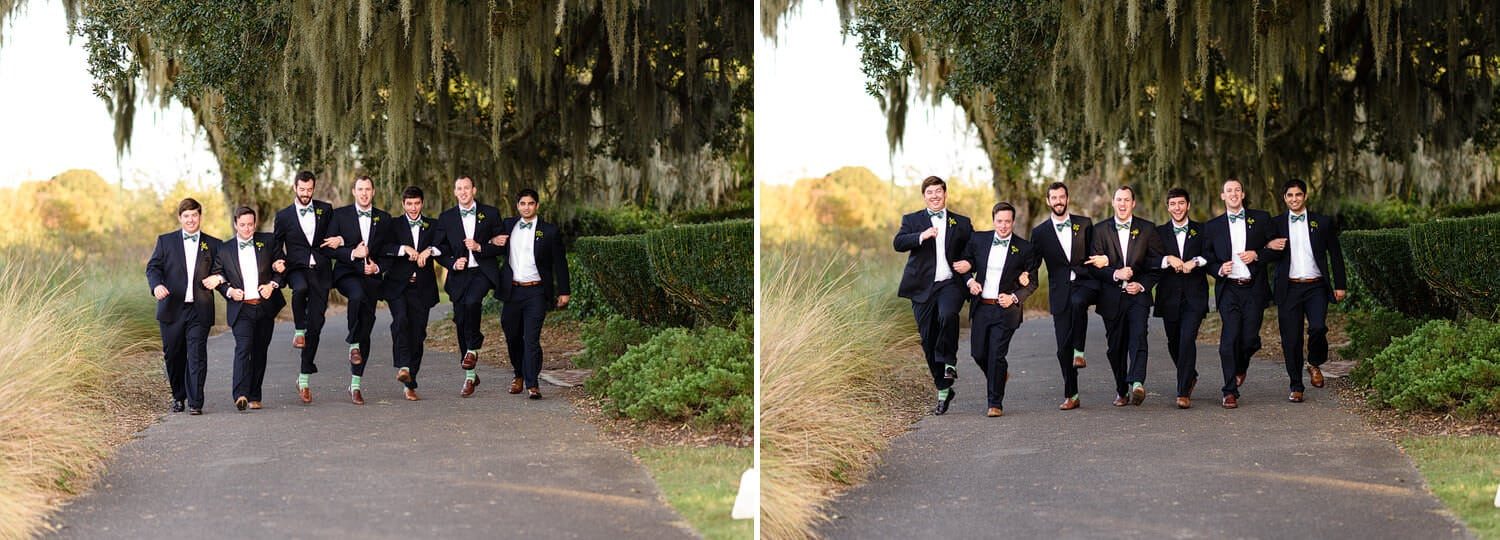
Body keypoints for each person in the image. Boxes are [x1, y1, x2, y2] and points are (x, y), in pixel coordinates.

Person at [893, 176, 973, 415]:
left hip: (950, 284)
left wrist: (969, 263)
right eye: (930, 192)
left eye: (939, 191)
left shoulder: (962, 222)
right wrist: (922, 236)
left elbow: (975, 250)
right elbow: (898, 243)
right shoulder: (912, 220)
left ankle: (949, 361)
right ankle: (943, 389)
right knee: (927, 339)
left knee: (948, 315)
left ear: (945, 194)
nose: (935, 196)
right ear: (924, 196)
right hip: (922, 288)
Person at [1264, 178, 1348, 403]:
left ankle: (1314, 362)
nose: (1294, 199)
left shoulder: (1322, 222)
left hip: (1316, 286)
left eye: (1298, 195)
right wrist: (1268, 245)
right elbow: (1263, 254)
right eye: (1290, 196)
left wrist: (1340, 284)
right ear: (1284, 199)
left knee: (1319, 328)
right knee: (1290, 339)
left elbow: (1335, 254)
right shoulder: (1275, 224)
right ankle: (1296, 385)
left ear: (1305, 196)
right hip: (1289, 287)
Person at [1087, 186, 1165, 407]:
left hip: (1138, 297)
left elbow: (1156, 265)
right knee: (1115, 348)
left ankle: (1138, 383)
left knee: (1139, 336)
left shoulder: (1147, 229)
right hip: (1111, 298)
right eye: (1119, 199)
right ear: (1113, 202)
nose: (1122, 204)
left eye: (1126, 200)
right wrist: (1114, 273)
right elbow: (1093, 267)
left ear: (1133, 203)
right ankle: (1121, 389)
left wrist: (1141, 285)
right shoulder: (1100, 230)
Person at [1201, 178, 1275, 409]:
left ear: (1243, 194)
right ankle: (1229, 391)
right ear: (1222, 196)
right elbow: (1206, 259)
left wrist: (1257, 255)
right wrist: (1217, 269)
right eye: (1228, 191)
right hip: (1229, 289)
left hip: (1254, 288)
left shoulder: (1261, 218)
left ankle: (1241, 367)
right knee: (1228, 341)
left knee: (1250, 339)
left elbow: (1277, 250)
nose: (1233, 194)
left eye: (1237, 190)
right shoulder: (1212, 226)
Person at [959, 202, 1038, 417]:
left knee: (996, 355)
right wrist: (969, 282)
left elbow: (1032, 282)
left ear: (1013, 222)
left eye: (1007, 222)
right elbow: (965, 264)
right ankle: (999, 374)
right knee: (978, 353)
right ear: (993, 220)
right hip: (982, 307)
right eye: (999, 221)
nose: (1003, 226)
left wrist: (1014, 297)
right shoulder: (978, 240)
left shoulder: (1024, 248)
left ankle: (995, 403)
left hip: (1006, 310)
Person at [491, 189, 570, 399]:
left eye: (531, 203)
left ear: (537, 206)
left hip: (536, 291)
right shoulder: (508, 226)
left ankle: (532, 383)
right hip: (512, 292)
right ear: (517, 206)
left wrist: (564, 291)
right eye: (523, 203)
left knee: (531, 339)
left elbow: (559, 263)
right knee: (513, 337)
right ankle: (518, 374)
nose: (526, 207)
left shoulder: (549, 231)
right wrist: (491, 241)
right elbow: (493, 247)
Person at [146, 198, 221, 415]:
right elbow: (153, 268)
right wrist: (157, 285)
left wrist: (219, 277)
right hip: (171, 308)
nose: (190, 219)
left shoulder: (213, 244)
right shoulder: (165, 241)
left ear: (200, 217)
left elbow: (224, 267)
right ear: (180, 218)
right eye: (186, 216)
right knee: (173, 355)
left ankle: (196, 402)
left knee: (196, 355)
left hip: (200, 309)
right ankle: (179, 396)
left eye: (194, 215)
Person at [321, 175, 391, 405]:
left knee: (367, 327)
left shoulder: (384, 218)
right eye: (360, 189)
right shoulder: (340, 215)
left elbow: (388, 252)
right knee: (357, 295)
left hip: (371, 277)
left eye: (367, 189)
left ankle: (356, 384)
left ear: (373, 192)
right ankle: (352, 343)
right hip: (347, 274)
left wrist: (377, 266)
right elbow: (328, 249)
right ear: (353, 191)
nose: (364, 193)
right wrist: (352, 253)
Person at [434, 176, 507, 397]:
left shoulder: (490, 213)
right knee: (460, 319)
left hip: (482, 272)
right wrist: (452, 263)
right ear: (454, 192)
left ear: (474, 190)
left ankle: (473, 348)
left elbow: (502, 245)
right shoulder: (446, 218)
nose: (463, 192)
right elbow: (439, 249)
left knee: (473, 302)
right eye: (459, 189)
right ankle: (470, 374)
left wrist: (480, 247)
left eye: (467, 188)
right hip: (459, 274)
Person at [207, 206, 285, 411]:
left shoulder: (268, 241)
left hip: (265, 307)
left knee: (260, 352)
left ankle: (254, 395)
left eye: (250, 224)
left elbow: (282, 268)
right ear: (235, 224)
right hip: (241, 309)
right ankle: (240, 394)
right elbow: (218, 276)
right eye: (242, 225)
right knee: (243, 349)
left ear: (255, 223)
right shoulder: (225, 249)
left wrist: (272, 285)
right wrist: (230, 291)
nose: (247, 229)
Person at [1029, 181, 1098, 410]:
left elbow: (1095, 252)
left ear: (1068, 198)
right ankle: (1073, 394)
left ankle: (1080, 350)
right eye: (1054, 198)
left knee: (1079, 303)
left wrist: (1104, 262)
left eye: (1062, 197)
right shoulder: (1039, 232)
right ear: (1048, 201)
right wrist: (1021, 277)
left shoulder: (1084, 224)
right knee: (1061, 349)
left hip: (1084, 283)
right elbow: (1032, 263)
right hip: (1059, 291)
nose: (1058, 201)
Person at [272, 171, 336, 403]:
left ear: (313, 188)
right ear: (294, 188)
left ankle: (304, 378)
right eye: (302, 190)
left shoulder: (325, 209)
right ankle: (299, 330)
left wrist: (339, 240)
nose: (306, 194)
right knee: (299, 290)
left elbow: (335, 233)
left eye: (310, 190)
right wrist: (278, 259)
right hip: (296, 267)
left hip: (320, 270)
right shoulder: (284, 216)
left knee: (316, 327)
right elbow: (276, 243)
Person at [380, 186, 441, 401]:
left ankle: (410, 382)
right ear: (403, 204)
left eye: (416, 203)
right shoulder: (393, 224)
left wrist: (430, 250)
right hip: (398, 287)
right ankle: (403, 366)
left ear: (422, 203)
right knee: (401, 321)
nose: (413, 208)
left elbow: (443, 246)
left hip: (422, 289)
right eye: (409, 204)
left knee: (418, 334)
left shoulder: (432, 225)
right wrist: (402, 249)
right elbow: (383, 247)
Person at [1152, 188, 1210, 409]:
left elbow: (1211, 253)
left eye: (1181, 203)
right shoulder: (1158, 233)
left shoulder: (1202, 230)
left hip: (1194, 296)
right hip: (1169, 297)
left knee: (1187, 339)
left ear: (1188, 205)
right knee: (1174, 342)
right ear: (1167, 207)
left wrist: (1195, 261)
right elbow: (1151, 258)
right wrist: (1168, 259)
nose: (1177, 207)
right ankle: (1190, 374)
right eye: (1173, 204)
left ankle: (1183, 391)